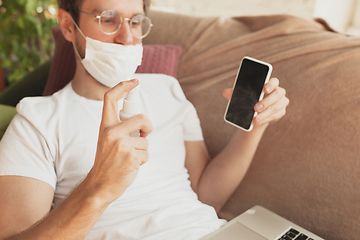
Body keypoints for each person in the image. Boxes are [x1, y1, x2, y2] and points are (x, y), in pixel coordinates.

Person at [0, 0, 289, 239]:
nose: (127, 39)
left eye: (136, 21)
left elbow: (206, 196)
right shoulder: (36, 120)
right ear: (68, 26)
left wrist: (256, 123)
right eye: (108, 19)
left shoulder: (168, 88)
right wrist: (99, 186)